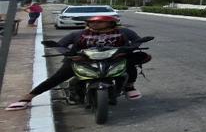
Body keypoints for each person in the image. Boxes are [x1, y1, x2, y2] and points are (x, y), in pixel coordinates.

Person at [6, 15, 150, 111]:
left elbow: (137, 41)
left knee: (130, 65)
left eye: (99, 21)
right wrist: (70, 54)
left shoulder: (124, 31)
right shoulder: (78, 34)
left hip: (114, 58)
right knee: (59, 76)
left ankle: (129, 86)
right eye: (92, 21)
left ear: (110, 22)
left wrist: (127, 50)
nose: (95, 23)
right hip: (83, 60)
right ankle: (28, 97)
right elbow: (60, 45)